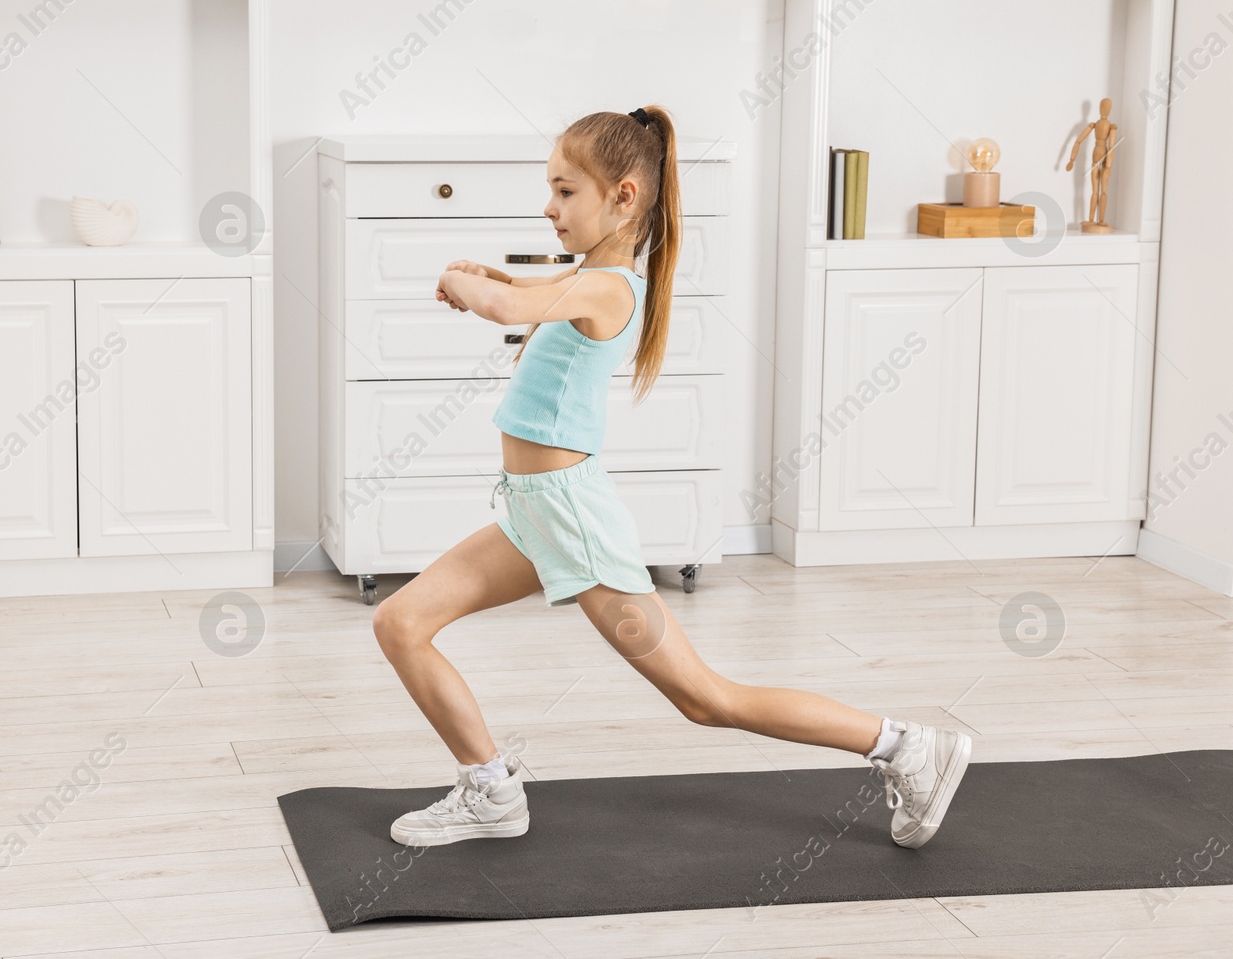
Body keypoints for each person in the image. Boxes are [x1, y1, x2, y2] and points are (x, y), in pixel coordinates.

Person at [371, 106, 972, 851]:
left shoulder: (612, 286)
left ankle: (905, 745)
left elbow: (510, 303)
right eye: (550, 191)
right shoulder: (590, 279)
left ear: (623, 196)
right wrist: (486, 277)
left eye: (564, 191)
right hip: (533, 516)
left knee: (704, 697)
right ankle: (490, 789)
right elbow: (524, 297)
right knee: (399, 622)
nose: (548, 207)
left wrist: (469, 284)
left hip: (572, 521)